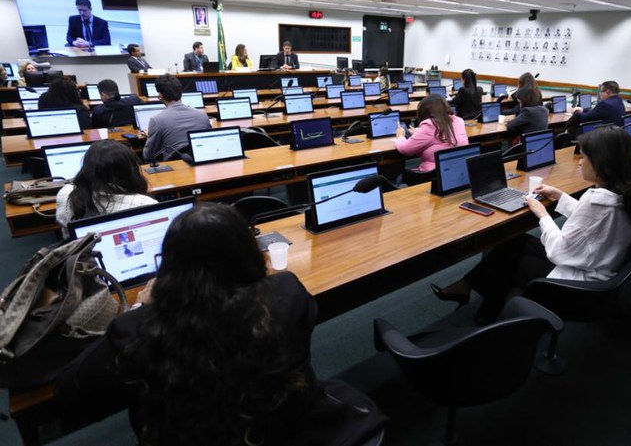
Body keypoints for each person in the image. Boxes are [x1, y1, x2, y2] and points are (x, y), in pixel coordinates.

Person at [55, 204, 385, 444]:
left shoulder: (138, 328)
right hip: (288, 429)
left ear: (169, 267)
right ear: (251, 253)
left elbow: (70, 388)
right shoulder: (287, 292)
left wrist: (143, 307)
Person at [432, 126, 631, 324]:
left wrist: (543, 214)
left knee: (508, 262)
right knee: (514, 243)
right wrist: (560, 196)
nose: (581, 162)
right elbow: (592, 222)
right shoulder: (624, 192)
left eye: (584, 157)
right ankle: (473, 294)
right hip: (595, 265)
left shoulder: (596, 201)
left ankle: (486, 313)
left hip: (576, 286)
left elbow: (558, 252)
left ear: (602, 164)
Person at [55, 140, 157, 231]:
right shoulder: (145, 204)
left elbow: (64, 226)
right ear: (130, 170)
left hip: (80, 246)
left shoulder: (65, 194)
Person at [143, 74, 211, 162]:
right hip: (200, 163)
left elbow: (148, 156)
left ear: (160, 96)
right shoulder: (202, 115)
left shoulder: (156, 120)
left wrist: (150, 136)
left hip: (173, 166)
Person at [395, 94, 469, 172]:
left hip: (434, 174)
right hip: (460, 169)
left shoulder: (430, 124)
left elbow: (405, 150)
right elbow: (438, 138)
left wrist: (400, 136)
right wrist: (419, 134)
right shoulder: (459, 121)